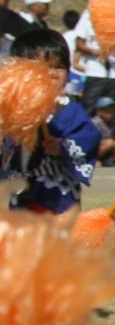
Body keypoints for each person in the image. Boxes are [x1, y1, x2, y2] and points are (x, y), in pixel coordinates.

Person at [1, 30, 99, 214]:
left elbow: (88, 137)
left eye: (60, 67)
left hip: (57, 192)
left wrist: (62, 147)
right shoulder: (14, 109)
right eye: (45, 67)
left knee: (54, 239)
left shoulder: (68, 108)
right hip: (22, 189)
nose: (53, 74)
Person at [90, 96, 115, 166]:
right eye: (106, 110)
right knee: (109, 142)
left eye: (112, 110)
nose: (110, 112)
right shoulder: (95, 122)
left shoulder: (113, 122)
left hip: (104, 147)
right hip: (92, 147)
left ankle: (108, 159)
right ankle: (91, 160)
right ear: (98, 111)